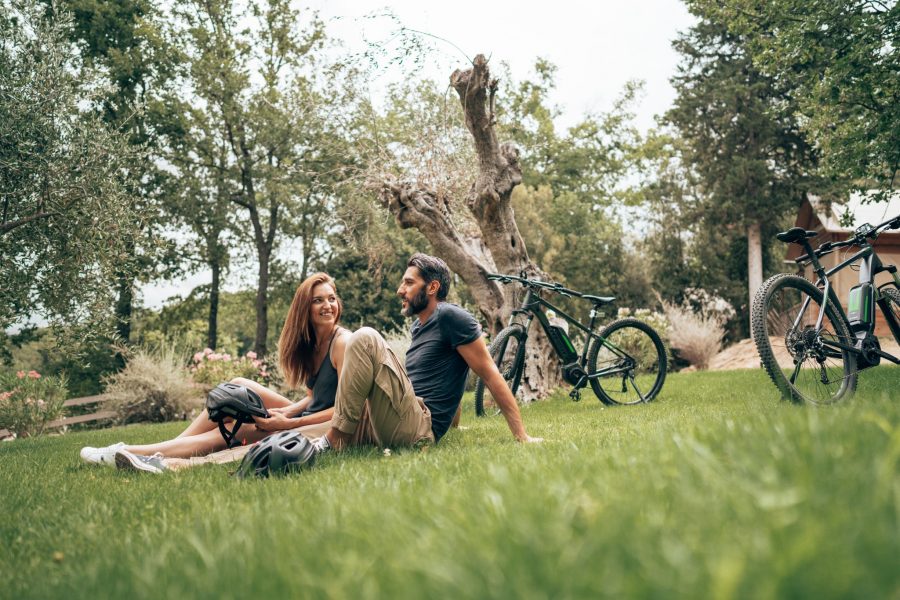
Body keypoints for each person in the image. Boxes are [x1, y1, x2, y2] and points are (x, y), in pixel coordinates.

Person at [79, 273, 349, 472]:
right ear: (305, 308)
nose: (328, 305)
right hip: (307, 415)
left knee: (234, 429)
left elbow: (345, 409)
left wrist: (288, 424)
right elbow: (313, 396)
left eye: (331, 299)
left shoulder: (342, 343)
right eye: (318, 300)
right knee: (237, 389)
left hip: (322, 425)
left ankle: (125, 452)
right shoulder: (312, 344)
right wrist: (287, 412)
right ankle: (172, 445)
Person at [310, 253, 542, 456]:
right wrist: (454, 423)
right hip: (398, 418)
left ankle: (334, 440)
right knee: (293, 435)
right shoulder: (419, 327)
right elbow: (447, 374)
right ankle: (297, 439)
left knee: (365, 337)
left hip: (417, 429)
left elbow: (490, 374)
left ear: (432, 288)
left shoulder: (451, 317)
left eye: (409, 283)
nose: (400, 290)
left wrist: (522, 435)